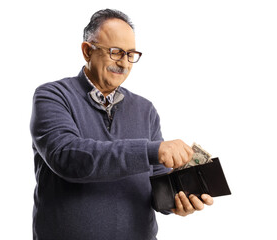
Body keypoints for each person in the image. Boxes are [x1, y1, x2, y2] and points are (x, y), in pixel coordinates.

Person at [30, 9, 213, 240]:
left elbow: (157, 182)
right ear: (87, 51)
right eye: (115, 52)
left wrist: (177, 200)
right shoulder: (53, 96)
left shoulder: (145, 109)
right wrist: (150, 150)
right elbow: (67, 157)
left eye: (130, 54)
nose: (124, 63)